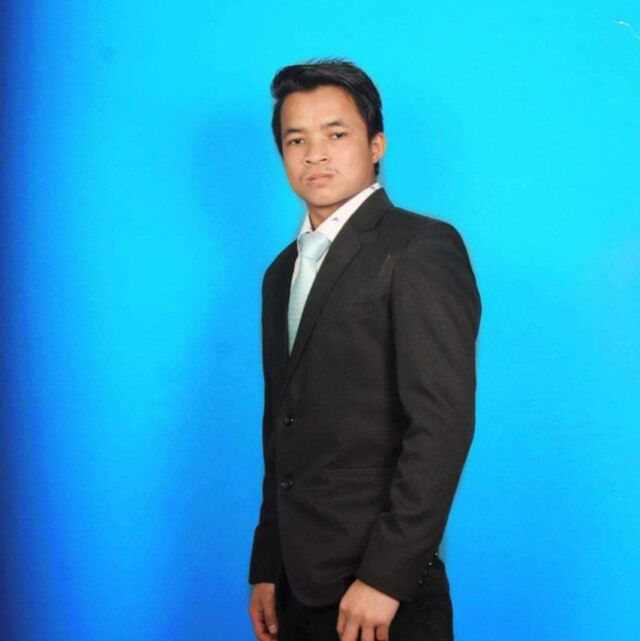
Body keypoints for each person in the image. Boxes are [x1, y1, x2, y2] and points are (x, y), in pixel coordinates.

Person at [247, 59, 481, 641]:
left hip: (382, 591)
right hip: (295, 584)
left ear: (376, 145)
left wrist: (387, 577)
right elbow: (282, 429)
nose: (315, 155)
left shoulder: (420, 247)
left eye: (336, 134)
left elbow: (442, 424)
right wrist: (267, 564)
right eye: (296, 140)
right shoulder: (280, 273)